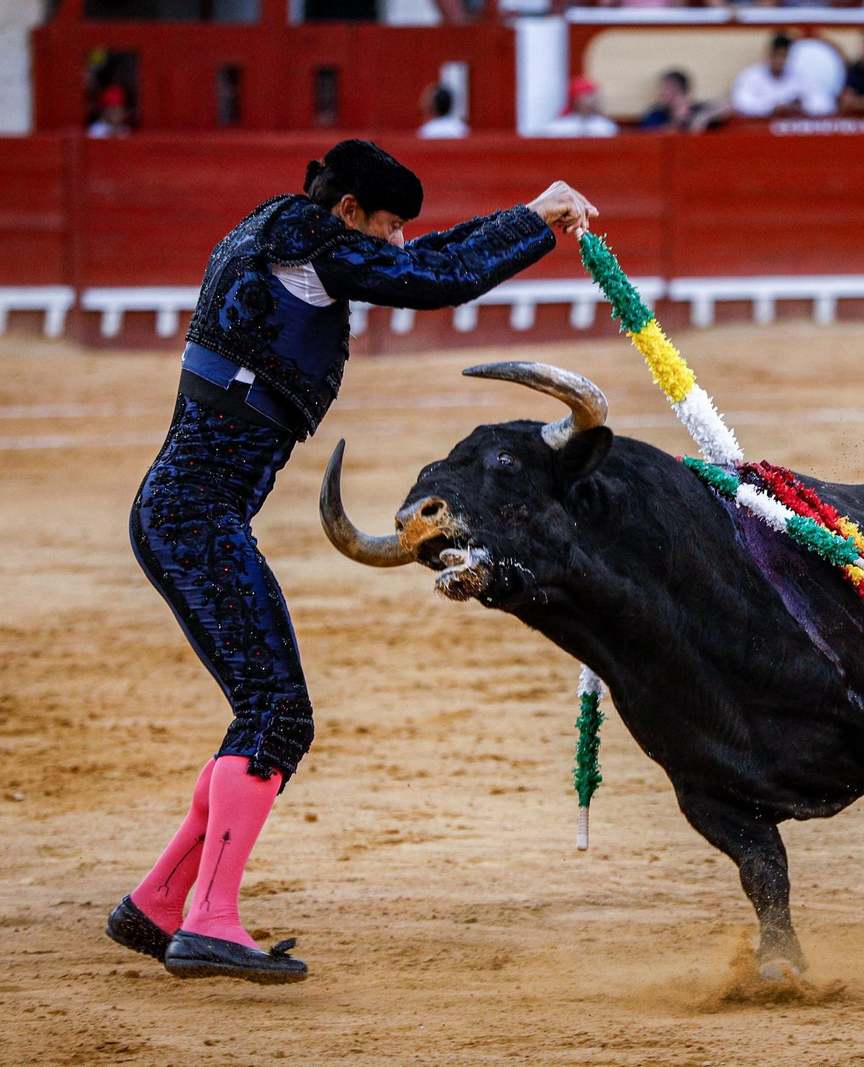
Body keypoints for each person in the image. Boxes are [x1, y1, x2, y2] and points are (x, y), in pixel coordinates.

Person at [105, 139, 596, 984]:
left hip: (188, 515)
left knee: (262, 713)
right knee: (275, 716)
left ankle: (159, 901)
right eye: (388, 225)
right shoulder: (306, 240)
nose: (399, 242)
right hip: (196, 520)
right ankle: (211, 919)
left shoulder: (280, 230)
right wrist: (532, 223)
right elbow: (433, 281)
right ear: (347, 214)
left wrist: (530, 215)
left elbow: (428, 259)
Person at [731, 33, 836, 118]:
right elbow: (740, 103)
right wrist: (771, 108)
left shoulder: (799, 76)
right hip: (758, 132)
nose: (780, 60)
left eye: (784, 56)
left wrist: (801, 106)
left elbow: (826, 103)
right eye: (776, 55)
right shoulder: (751, 76)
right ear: (769, 54)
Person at [641, 69, 727, 132]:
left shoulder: (697, 109)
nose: (662, 93)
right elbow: (653, 136)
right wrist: (677, 120)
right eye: (662, 89)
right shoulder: (656, 114)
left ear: (682, 94)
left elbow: (728, 105)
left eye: (668, 89)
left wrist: (704, 116)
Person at [539, 76, 619, 137]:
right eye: (589, 96)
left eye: (595, 96)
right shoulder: (559, 126)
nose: (594, 100)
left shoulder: (605, 125)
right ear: (577, 100)